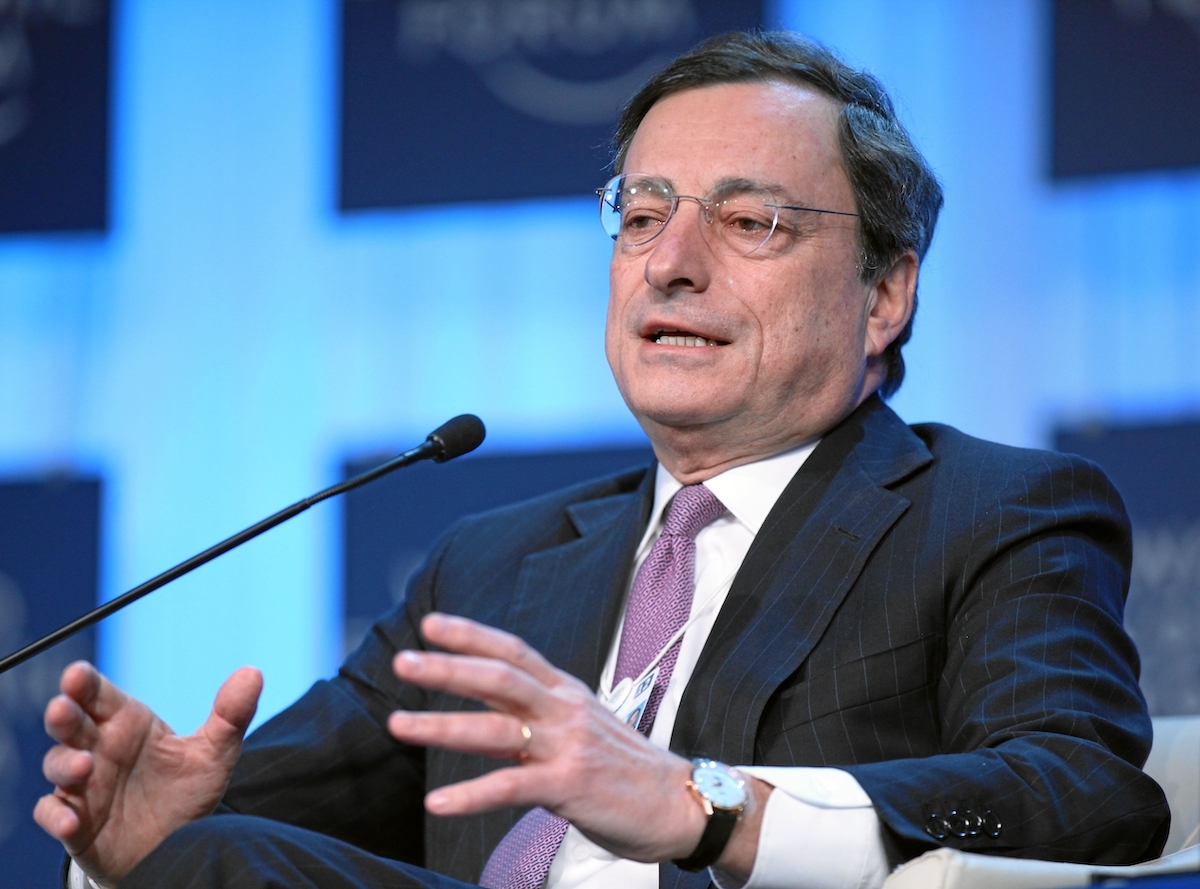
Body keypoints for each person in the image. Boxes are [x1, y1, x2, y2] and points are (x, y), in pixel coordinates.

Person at [37, 31, 1169, 889]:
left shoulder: (990, 510)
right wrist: (139, 843)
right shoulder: (489, 566)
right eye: (642, 215)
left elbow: (1086, 793)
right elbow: (240, 845)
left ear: (885, 293)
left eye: (751, 222)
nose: (670, 263)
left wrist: (705, 806)